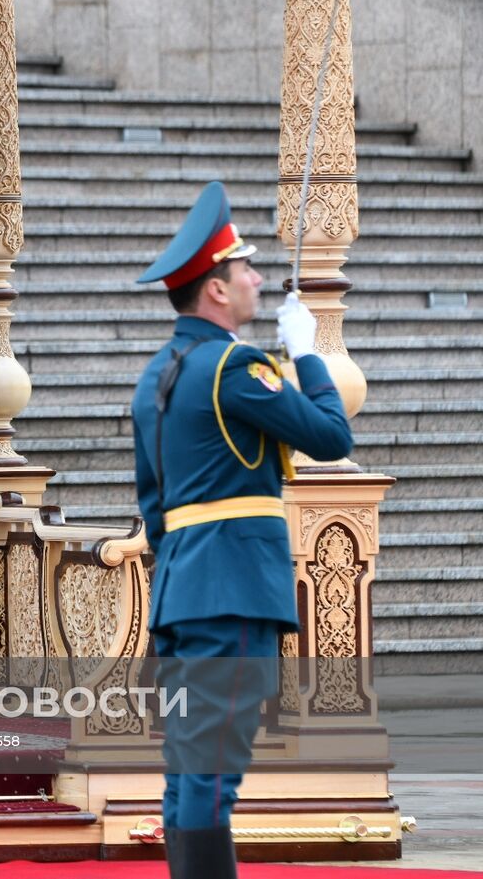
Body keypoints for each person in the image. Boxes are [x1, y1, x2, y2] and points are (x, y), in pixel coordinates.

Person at [130, 182, 354, 877]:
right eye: (244, 270)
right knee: (213, 770)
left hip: (183, 591)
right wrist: (307, 353)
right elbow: (329, 435)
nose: (257, 278)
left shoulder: (155, 377)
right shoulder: (235, 366)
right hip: (231, 595)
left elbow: (154, 506)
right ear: (216, 292)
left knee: (190, 770)